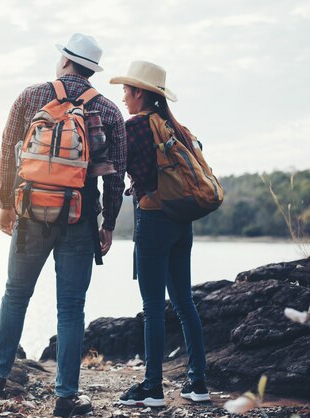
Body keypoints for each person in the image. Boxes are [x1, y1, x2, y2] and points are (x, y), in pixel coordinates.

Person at [0, 33, 126, 418]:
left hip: (31, 213)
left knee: (16, 294)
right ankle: (66, 396)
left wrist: (6, 205)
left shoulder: (31, 96)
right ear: (91, 69)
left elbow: (8, 152)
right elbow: (116, 175)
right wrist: (107, 223)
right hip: (80, 217)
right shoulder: (107, 110)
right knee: (71, 308)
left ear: (66, 62)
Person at [109, 61, 210, 407]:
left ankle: (152, 387)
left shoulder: (135, 127)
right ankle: (198, 383)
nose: (123, 96)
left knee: (152, 307)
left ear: (139, 92)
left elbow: (114, 170)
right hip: (182, 222)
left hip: (152, 220)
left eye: (126, 90)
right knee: (185, 303)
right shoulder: (176, 128)